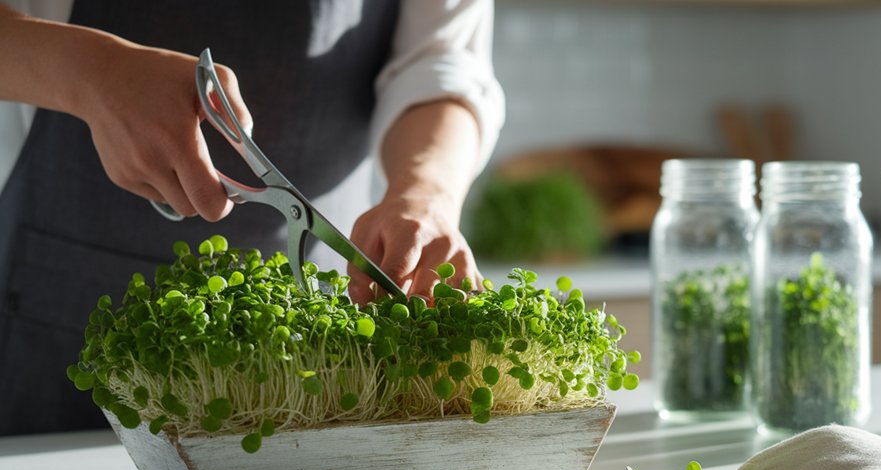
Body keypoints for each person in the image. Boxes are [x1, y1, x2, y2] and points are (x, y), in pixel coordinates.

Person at [0, 0, 505, 434]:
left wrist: (427, 192)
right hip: (55, 315)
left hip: (326, 317)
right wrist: (91, 72)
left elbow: (442, 59)